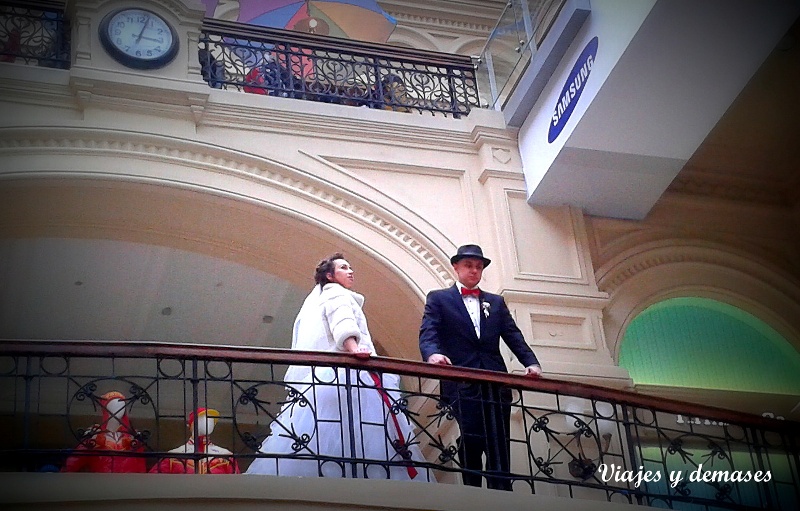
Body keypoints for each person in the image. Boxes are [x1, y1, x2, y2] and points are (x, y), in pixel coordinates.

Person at [246, 253, 430, 481]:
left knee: (328, 433)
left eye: (350, 267)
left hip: (326, 379)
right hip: (347, 376)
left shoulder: (323, 297)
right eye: (343, 268)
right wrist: (354, 349)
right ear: (330, 276)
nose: (350, 271)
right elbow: (342, 323)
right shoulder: (337, 293)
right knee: (362, 430)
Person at [419, 244, 541, 491]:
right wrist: (433, 355)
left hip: (495, 382)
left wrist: (531, 363)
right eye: (468, 265)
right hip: (461, 381)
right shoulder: (439, 298)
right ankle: (472, 489)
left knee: (498, 438)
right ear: (456, 267)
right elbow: (429, 332)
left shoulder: (495, 302)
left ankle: (502, 491)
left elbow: (513, 335)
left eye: (478, 267)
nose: (474, 270)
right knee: (471, 435)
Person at [62, 390, 147, 473]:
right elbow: (73, 464)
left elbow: (141, 466)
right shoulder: (94, 435)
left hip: (127, 480)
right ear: (105, 409)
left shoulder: (132, 436)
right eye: (112, 406)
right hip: (101, 480)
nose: (118, 410)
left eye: (122, 406)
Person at [149, 408, 240, 474]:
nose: (208, 422)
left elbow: (236, 486)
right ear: (191, 425)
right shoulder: (173, 456)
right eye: (201, 419)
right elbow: (154, 482)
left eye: (211, 420)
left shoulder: (226, 456)